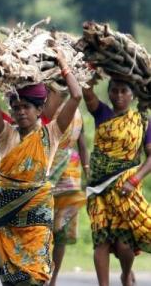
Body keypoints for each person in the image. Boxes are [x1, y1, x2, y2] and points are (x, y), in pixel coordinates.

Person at [0, 49, 82, 286]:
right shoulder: (6, 135)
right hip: (7, 216)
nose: (21, 112)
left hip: (37, 214)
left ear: (39, 110)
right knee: (12, 278)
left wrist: (63, 65)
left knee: (37, 274)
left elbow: (76, 96)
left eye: (26, 106)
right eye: (16, 108)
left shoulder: (51, 133)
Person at [83, 78, 151, 286]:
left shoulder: (142, 121)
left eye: (124, 91)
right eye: (114, 91)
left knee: (124, 244)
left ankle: (125, 273)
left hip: (126, 187)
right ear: (109, 93)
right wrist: (89, 74)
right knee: (101, 240)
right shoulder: (102, 113)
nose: (119, 96)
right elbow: (86, 93)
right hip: (98, 189)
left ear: (133, 95)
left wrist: (134, 180)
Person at [45, 91, 89, 286]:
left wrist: (88, 171)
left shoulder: (76, 107)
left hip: (71, 176)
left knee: (60, 232)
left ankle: (53, 279)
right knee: (43, 227)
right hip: (48, 170)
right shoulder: (48, 103)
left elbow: (82, 142)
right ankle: (40, 273)